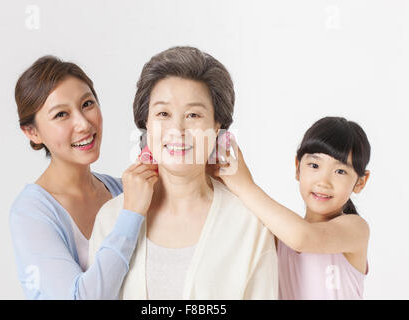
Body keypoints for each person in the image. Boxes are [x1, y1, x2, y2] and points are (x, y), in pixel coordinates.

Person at [89, 46, 278, 300]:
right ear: (146, 122)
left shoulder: (249, 224)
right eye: (163, 113)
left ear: (217, 125)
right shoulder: (112, 218)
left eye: (193, 115)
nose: (177, 130)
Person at [10, 56, 158, 299]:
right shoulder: (30, 213)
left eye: (87, 104)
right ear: (32, 132)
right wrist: (131, 214)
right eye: (61, 115)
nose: (83, 124)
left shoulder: (123, 191)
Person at [212, 116, 371, 299]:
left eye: (340, 171)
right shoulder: (279, 236)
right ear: (298, 167)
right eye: (314, 165)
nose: (323, 182)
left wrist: (245, 185)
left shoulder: (356, 229)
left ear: (360, 182)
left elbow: (302, 237)